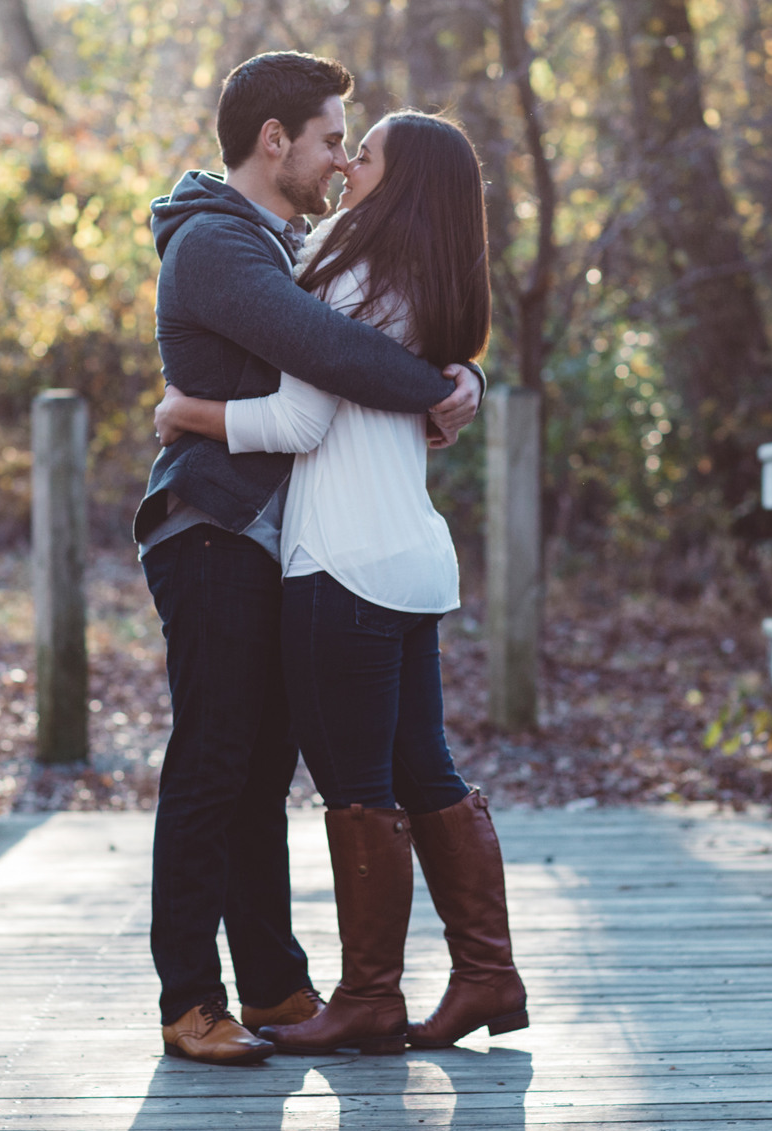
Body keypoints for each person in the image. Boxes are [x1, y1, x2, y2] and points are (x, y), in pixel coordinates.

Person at [153, 110, 527, 1057]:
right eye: (338, 142)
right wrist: (459, 380)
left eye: (364, 153)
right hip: (411, 559)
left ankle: (369, 994)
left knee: (357, 785)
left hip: (341, 563)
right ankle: (484, 974)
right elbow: (402, 364)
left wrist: (183, 410)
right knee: (421, 768)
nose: (347, 162)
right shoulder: (419, 278)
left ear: (396, 187)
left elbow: (304, 417)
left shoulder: (344, 271)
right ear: (276, 140)